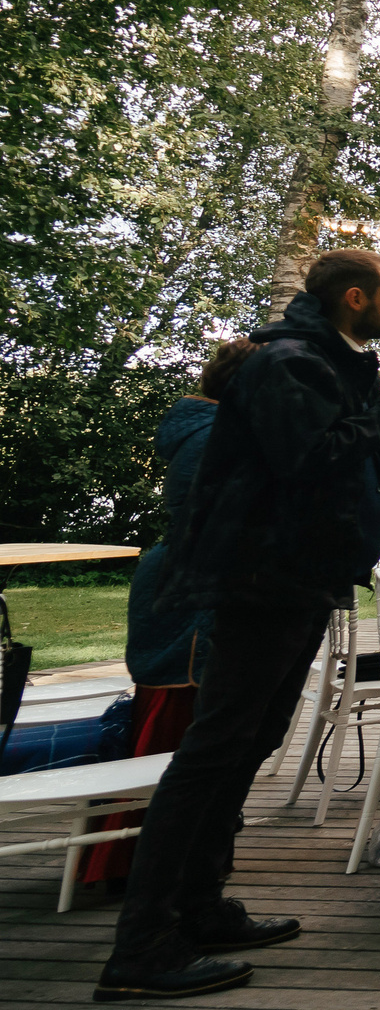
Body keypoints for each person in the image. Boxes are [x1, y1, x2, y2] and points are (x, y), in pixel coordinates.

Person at [96, 250, 380, 1002]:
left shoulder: (322, 361)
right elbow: (313, 457)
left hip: (301, 576)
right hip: (263, 577)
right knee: (213, 749)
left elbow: (343, 456)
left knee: (252, 740)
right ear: (354, 297)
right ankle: (142, 944)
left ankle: (201, 905)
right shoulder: (288, 361)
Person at [81, 340, 254, 887]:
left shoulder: (207, 431)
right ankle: (135, 867)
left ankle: (164, 860)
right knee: (174, 734)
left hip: (186, 589)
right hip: (193, 597)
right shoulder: (212, 437)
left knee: (181, 729)